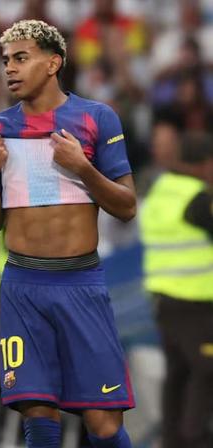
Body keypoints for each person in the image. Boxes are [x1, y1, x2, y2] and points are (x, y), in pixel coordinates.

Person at [0, 20, 136, 448]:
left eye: (21, 58)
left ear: (53, 63)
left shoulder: (96, 118)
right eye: (6, 61)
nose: (10, 68)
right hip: (23, 285)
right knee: (38, 416)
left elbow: (126, 207)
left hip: (80, 283)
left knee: (104, 426)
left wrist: (83, 167)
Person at [139, 131, 213, 448]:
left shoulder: (160, 188)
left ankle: (173, 439)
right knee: (207, 369)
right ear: (206, 163)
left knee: (178, 372)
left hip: (162, 297)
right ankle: (195, 438)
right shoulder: (199, 198)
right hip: (194, 298)